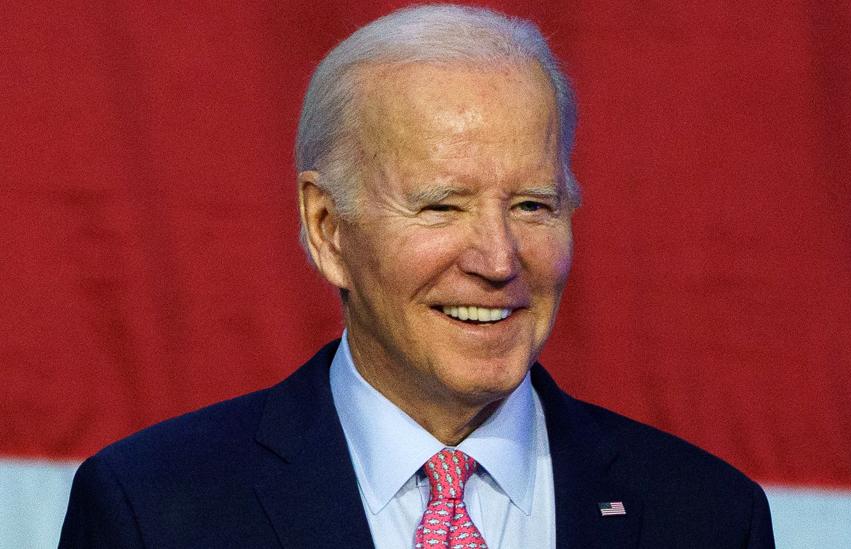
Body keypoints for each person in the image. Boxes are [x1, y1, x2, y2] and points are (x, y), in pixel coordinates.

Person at [59, 5, 774, 548]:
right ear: (327, 228)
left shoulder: (707, 515)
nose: (497, 260)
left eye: (532, 204)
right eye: (441, 206)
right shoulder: (152, 510)